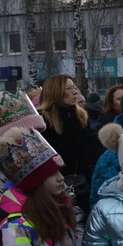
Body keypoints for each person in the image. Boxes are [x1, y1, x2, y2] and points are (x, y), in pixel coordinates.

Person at [37, 74, 102, 215]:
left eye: (75, 87)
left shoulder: (81, 117)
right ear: (55, 91)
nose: (75, 92)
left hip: (83, 185)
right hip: (55, 188)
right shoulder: (42, 121)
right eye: (68, 88)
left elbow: (90, 154)